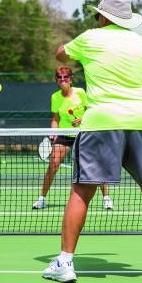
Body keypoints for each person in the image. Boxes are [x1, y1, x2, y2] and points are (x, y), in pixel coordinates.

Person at [42, 0, 142, 283]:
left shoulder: (90, 38)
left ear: (104, 17)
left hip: (101, 123)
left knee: (82, 191)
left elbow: (61, 54)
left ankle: (65, 263)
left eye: (98, 15)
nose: (96, 19)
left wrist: (77, 54)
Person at [32, 65, 113, 210]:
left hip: (83, 133)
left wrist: (82, 119)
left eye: (65, 77)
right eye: (59, 77)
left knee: (95, 165)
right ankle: (42, 198)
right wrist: (53, 131)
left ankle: (106, 198)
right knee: (53, 164)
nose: (62, 79)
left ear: (71, 79)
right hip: (64, 135)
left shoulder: (80, 93)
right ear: (56, 80)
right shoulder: (55, 97)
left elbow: (92, 111)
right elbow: (55, 118)